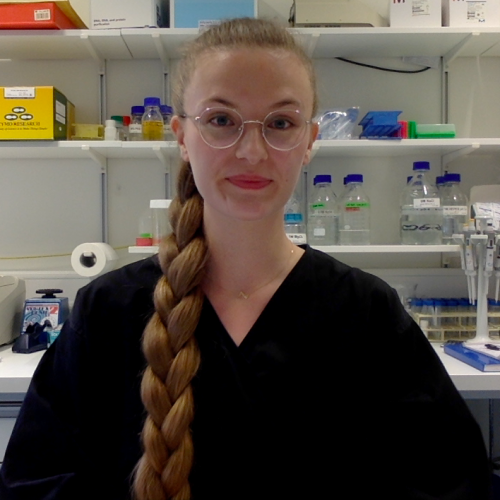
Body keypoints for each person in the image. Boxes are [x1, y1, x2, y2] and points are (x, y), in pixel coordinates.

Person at [0, 18, 492, 500]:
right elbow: (36, 481)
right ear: (182, 137)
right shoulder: (107, 312)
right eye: (221, 120)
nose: (252, 151)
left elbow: (447, 480)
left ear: (309, 142)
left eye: (280, 123)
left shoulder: (366, 312)